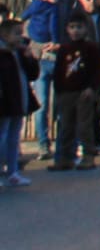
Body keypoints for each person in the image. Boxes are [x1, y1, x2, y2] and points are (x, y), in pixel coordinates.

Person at [45, 15, 100, 171]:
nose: (75, 31)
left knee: (84, 126)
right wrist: (58, 91)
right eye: (72, 27)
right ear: (67, 29)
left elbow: (98, 70)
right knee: (65, 126)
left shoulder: (91, 48)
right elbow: (59, 71)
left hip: (83, 92)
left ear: (85, 28)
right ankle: (64, 157)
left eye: (79, 27)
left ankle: (88, 156)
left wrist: (92, 88)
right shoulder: (64, 49)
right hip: (66, 92)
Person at [21, 0, 66, 157]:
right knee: (46, 103)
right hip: (45, 56)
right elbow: (49, 26)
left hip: (50, 55)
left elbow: (25, 18)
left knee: (57, 103)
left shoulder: (62, 4)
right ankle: (45, 144)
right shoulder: (48, 7)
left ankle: (56, 144)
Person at [71, 0, 100, 148]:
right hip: (83, 67)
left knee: (98, 103)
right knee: (83, 104)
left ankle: (96, 137)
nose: (92, 1)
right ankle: (82, 140)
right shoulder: (76, 18)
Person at [0, 19, 34, 188]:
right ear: (5, 35)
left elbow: (33, 74)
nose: (21, 37)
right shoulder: (2, 53)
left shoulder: (18, 52)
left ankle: (13, 172)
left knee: (14, 137)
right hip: (4, 102)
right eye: (17, 33)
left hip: (19, 99)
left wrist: (29, 57)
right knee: (2, 136)